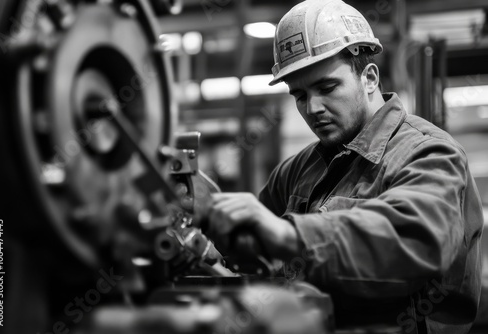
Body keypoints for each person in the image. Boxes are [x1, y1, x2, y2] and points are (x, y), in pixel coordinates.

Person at [206, 0, 484, 333]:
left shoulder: (428, 153)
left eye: (327, 88)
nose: (313, 108)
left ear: (369, 78)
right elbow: (252, 248)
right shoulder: (296, 171)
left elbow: (418, 242)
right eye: (299, 95)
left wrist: (289, 235)